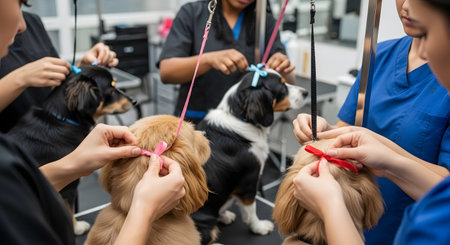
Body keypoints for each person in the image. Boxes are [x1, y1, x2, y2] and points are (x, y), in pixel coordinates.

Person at [0, 2, 185, 244]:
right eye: (16, 2)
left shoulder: (33, 23)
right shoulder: (8, 165)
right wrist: (144, 209)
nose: (23, 24)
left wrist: (85, 70)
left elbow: (20, 189)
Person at [292, 0, 450, 243]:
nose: (407, 6)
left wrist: (388, 162)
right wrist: (326, 131)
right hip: (349, 223)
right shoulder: (379, 55)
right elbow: (346, 133)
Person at [158, 0, 295, 124]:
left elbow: (289, 82)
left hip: (243, 129)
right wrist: (207, 60)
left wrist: (282, 69)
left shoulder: (265, 23)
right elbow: (167, 72)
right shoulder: (192, 14)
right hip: (195, 123)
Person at [0, 10, 118, 133]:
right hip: (12, 146)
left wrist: (83, 72)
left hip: (52, 136)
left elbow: (56, 86)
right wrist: (21, 78)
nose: (23, 26)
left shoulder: (33, 22)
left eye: (24, 4)